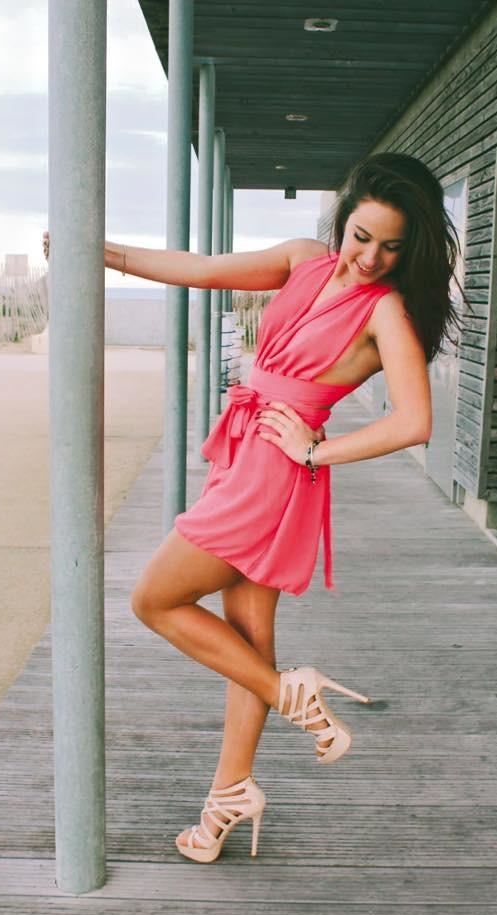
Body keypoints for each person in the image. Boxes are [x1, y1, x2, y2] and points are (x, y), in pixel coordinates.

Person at [44, 152, 461, 863]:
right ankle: (229, 796)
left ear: (410, 249)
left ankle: (289, 694)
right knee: (245, 636)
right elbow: (204, 269)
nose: (370, 258)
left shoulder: (386, 310)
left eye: (392, 248)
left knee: (154, 599)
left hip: (275, 473)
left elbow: (414, 421)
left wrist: (315, 451)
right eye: (362, 236)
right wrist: (101, 252)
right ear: (344, 217)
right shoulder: (303, 261)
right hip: (244, 452)